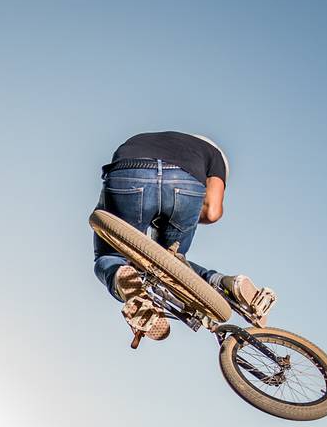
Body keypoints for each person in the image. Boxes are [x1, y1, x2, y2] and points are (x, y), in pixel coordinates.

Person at [93, 131, 275, 340]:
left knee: (111, 256)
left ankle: (128, 286)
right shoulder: (215, 155)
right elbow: (212, 212)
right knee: (172, 262)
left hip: (129, 175)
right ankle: (227, 284)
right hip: (184, 186)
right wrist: (178, 217)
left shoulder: (143, 138)